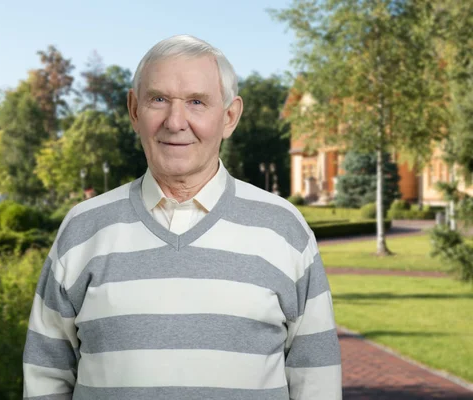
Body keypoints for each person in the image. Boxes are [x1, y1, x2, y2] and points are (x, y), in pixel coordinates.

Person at [22, 34, 342, 400]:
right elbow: (45, 375)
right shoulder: (83, 229)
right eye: (158, 99)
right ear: (134, 110)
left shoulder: (284, 230)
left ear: (229, 117)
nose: (175, 121)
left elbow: (316, 381)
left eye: (196, 102)